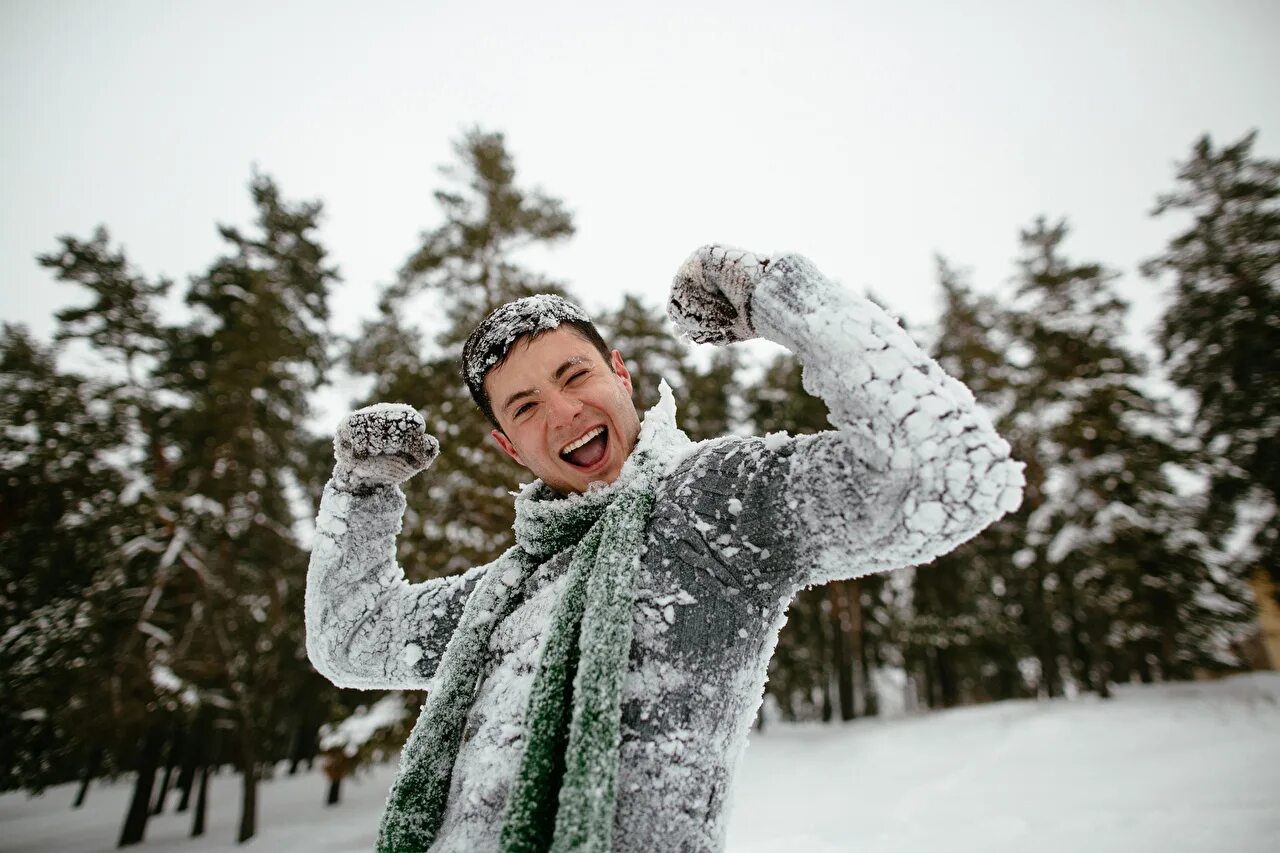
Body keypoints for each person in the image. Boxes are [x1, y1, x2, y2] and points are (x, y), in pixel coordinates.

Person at [305, 245, 1025, 853]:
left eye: (574, 374)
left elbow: (953, 474)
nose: (563, 412)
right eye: (524, 407)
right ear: (507, 446)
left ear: (620, 373)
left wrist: (775, 297)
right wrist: (362, 493)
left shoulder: (715, 505)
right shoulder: (503, 592)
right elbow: (352, 637)